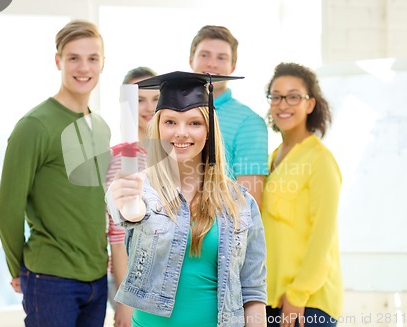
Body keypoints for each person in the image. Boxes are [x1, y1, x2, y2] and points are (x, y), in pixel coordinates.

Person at [107, 71, 267, 327]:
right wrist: (129, 205)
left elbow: (253, 290)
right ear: (157, 127)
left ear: (209, 130)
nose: (181, 133)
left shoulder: (241, 202)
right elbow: (126, 211)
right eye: (170, 122)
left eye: (194, 123)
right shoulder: (139, 188)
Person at [0, 19, 111, 327]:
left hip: (97, 278)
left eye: (92, 58)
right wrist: (16, 268)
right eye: (74, 57)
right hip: (51, 279)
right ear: (58, 60)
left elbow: (95, 203)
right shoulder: (34, 126)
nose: (83, 67)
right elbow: (7, 208)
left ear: (102, 63)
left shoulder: (100, 126)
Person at [261, 62, 343, 327]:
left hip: (307, 303)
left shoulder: (320, 159)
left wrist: (298, 294)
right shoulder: (273, 157)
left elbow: (323, 235)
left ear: (310, 104)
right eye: (277, 96)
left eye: (294, 96)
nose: (283, 104)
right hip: (272, 299)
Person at [189, 25, 268, 207]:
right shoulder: (173, 114)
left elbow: (249, 205)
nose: (212, 64)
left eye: (221, 57)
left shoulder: (249, 123)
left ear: (232, 67)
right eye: (204, 55)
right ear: (191, 60)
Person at [107, 66, 158, 327]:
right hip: (131, 282)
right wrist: (124, 303)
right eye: (139, 99)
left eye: (155, 99)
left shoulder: (181, 153)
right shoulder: (118, 159)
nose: (148, 107)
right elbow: (117, 236)